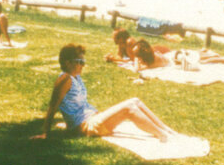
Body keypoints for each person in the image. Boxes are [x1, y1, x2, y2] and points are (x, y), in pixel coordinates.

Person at [34, 44, 181, 141]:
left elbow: (71, 105)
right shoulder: (65, 79)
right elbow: (53, 106)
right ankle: (163, 136)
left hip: (92, 119)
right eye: (80, 61)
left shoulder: (75, 78)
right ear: (68, 63)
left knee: (135, 100)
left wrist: (67, 124)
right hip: (88, 125)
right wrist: (45, 132)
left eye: (83, 62)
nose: (82, 65)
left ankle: (167, 130)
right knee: (130, 107)